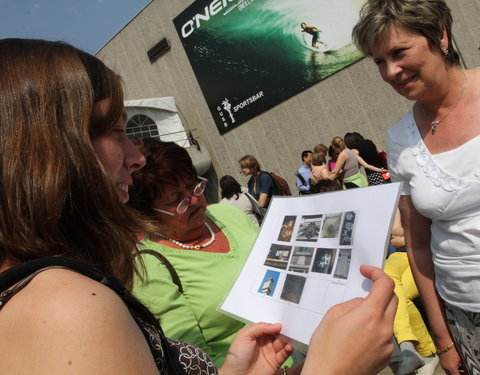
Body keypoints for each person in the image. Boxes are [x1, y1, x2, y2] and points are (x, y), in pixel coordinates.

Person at [0, 38, 397, 375]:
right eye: (116, 130)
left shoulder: (46, 294)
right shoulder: (63, 310)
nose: (135, 156)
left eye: (193, 188)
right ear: (44, 152)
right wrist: (332, 368)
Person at [353, 1, 480, 374]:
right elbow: (418, 245)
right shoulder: (400, 141)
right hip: (466, 316)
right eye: (379, 61)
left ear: (439, 35)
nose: (390, 71)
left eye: (398, 52)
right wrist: (443, 340)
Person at [128, 140, 260, 366]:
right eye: (175, 199)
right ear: (148, 215)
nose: (195, 200)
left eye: (193, 186)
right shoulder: (148, 266)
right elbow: (196, 361)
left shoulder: (228, 214)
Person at [385, 210, 439, 375]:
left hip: (422, 253)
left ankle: (418, 350)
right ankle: (416, 350)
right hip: (400, 256)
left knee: (398, 295)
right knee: (390, 286)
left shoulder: (414, 196)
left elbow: (398, 232)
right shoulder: (395, 196)